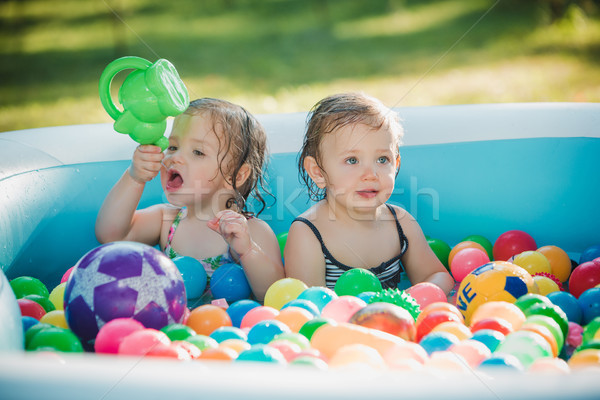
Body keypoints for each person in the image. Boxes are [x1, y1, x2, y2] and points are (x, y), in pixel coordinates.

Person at [95, 98, 284, 302]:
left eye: (198, 152)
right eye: (173, 146)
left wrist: (247, 251)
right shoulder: (166, 220)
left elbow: (274, 295)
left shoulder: (250, 231)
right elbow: (111, 236)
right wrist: (134, 177)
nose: (174, 158)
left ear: (236, 176)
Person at [284, 92, 454, 294]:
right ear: (318, 172)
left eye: (382, 159)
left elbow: (438, 276)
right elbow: (311, 306)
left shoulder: (401, 223)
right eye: (352, 160)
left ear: (396, 163)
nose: (370, 175)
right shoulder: (308, 234)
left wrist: (407, 300)